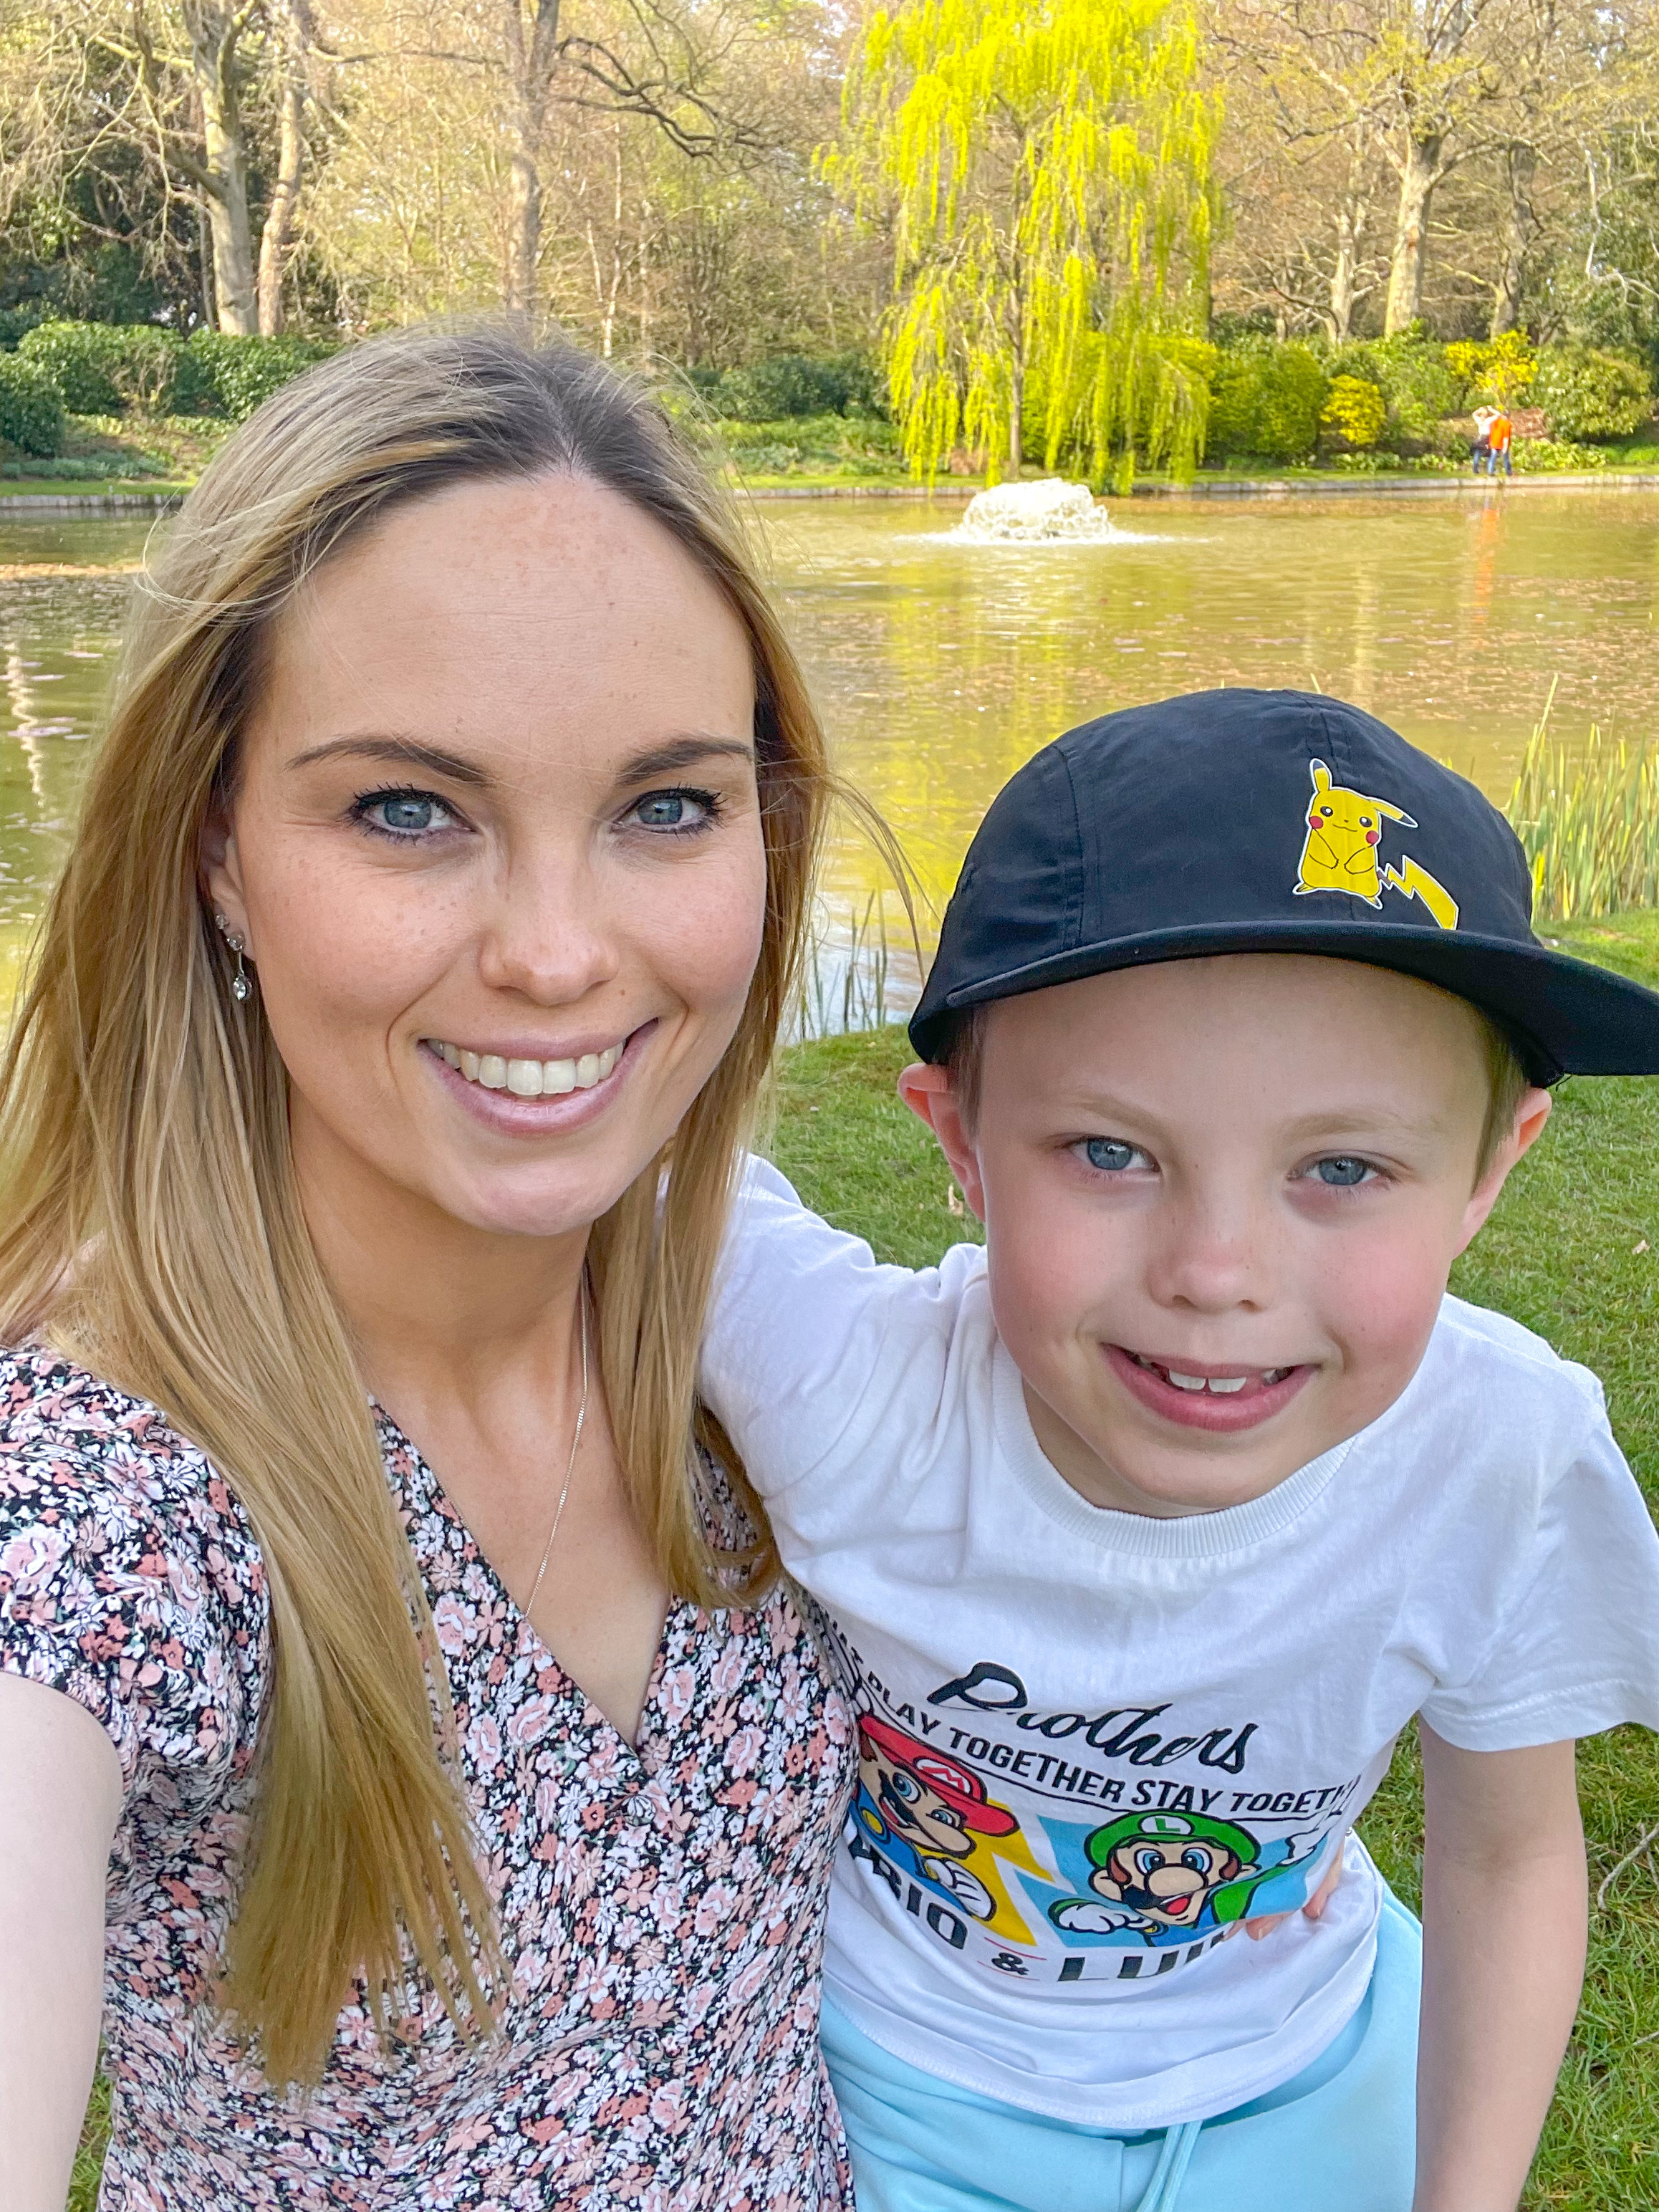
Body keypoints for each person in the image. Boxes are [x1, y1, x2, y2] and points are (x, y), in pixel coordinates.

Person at [0, 328, 860, 2210]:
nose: (556, 953)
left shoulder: (766, 1336)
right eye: (406, 808)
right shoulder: (98, 1500)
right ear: (218, 851)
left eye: (666, 805)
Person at [701, 688, 1659, 2212]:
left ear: (1493, 1168)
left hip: (1312, 2062)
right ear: (958, 1139)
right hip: (906, 2088)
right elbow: (639, 1161)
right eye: (1110, 1151)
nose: (1216, 1272)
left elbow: (1505, 1857)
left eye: (1341, 1166)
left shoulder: (1502, 1453)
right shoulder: (856, 1388)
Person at [1470, 403, 1496, 471]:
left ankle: (1476, 468)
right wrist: (1491, 409)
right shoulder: (1488, 420)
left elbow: (1474, 414)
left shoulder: (1480, 420)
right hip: (1485, 438)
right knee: (1488, 453)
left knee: (1479, 453)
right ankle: (1490, 469)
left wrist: (1478, 410)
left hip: (1481, 438)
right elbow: (1497, 415)